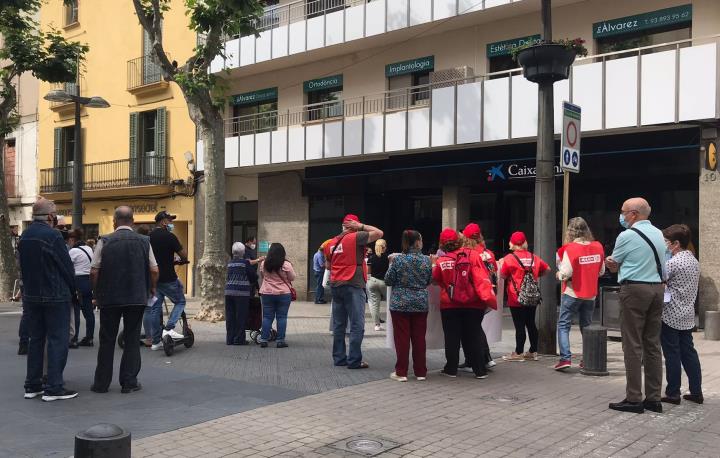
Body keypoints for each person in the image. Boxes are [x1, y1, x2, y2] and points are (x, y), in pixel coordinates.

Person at [605, 197, 666, 414]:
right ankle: (654, 398)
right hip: (658, 289)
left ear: (633, 214)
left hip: (634, 290)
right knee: (652, 345)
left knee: (632, 344)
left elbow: (614, 263)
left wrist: (611, 263)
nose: (620, 216)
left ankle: (633, 398)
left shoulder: (626, 235)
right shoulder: (660, 233)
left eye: (623, 212)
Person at [90, 206, 159, 394]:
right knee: (132, 338)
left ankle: (101, 383)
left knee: (107, 340)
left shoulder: (104, 240)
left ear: (114, 221)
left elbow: (94, 270)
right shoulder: (144, 241)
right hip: (136, 297)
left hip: (109, 297)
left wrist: (96, 293)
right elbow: (154, 269)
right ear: (133, 221)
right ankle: (129, 382)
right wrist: (152, 287)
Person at [18, 198, 78, 401]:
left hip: (32, 295)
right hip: (55, 294)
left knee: (36, 340)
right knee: (57, 340)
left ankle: (32, 385)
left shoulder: (25, 235)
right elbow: (65, 265)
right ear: (50, 217)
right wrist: (74, 290)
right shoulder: (52, 235)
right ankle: (54, 387)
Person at [433, 228, 496, 379]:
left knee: (452, 337)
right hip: (474, 304)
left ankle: (451, 369)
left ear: (442, 244)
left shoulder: (442, 260)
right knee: (473, 336)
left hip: (449, 304)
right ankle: (480, 370)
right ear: (459, 240)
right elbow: (482, 275)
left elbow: (436, 279)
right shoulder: (473, 255)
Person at [325, 214, 383, 369]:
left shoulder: (330, 243)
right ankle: (354, 360)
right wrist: (362, 226)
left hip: (336, 285)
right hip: (353, 284)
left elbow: (327, 266)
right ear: (353, 225)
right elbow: (379, 233)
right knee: (357, 323)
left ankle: (339, 358)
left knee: (339, 324)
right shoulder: (356, 237)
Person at [660, 224, 703, 405]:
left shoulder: (673, 262)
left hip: (670, 314)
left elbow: (659, 278)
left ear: (676, 243)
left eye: (667, 242)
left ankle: (673, 393)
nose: (666, 245)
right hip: (687, 314)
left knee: (672, 354)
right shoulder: (694, 260)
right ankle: (696, 391)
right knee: (689, 354)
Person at [554, 217, 605, 371]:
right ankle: (587, 359)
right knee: (587, 327)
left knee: (563, 325)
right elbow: (601, 271)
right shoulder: (598, 246)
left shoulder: (570, 248)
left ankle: (565, 359)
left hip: (572, 292)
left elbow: (565, 273)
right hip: (590, 294)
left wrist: (558, 274)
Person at [383, 230, 432, 382]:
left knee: (402, 339)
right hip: (420, 302)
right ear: (417, 242)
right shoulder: (426, 260)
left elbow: (388, 280)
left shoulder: (398, 260)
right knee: (419, 338)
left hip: (400, 303)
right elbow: (429, 280)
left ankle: (401, 372)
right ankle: (421, 372)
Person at [500, 231, 550, 362]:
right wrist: (534, 276)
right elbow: (547, 269)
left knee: (519, 325)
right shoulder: (534, 257)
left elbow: (503, 275)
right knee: (531, 323)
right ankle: (533, 351)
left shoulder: (509, 258)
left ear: (512, 243)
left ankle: (518, 352)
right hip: (532, 296)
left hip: (516, 297)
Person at [460, 223, 497, 371]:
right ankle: (483, 358)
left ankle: (477, 360)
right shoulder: (489, 253)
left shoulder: (468, 252)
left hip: (472, 295)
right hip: (487, 293)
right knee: (476, 327)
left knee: (471, 329)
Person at [149, 211, 188, 350]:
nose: (171, 223)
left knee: (155, 308)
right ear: (163, 222)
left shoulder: (148, 237)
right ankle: (169, 328)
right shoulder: (170, 236)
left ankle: (155, 342)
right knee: (180, 301)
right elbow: (183, 254)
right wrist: (182, 259)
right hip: (168, 278)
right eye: (169, 220)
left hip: (153, 279)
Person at [258, 243, 295, 348]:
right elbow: (292, 277)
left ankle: (264, 339)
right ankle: (280, 341)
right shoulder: (286, 264)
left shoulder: (264, 263)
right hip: (283, 294)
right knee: (282, 317)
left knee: (267, 317)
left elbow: (262, 275)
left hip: (267, 293)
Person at [68, 228, 96, 347]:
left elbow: (67, 266)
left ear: (72, 239)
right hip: (88, 281)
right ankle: (89, 337)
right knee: (89, 311)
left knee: (76, 310)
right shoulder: (89, 248)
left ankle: (74, 338)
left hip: (78, 282)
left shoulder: (73, 251)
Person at [225, 242, 257, 345]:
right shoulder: (245, 263)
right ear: (243, 252)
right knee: (241, 316)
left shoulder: (229, 263)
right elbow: (253, 277)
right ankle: (239, 339)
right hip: (241, 293)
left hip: (229, 292)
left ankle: (230, 339)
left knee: (230, 316)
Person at [367, 238, 389, 331]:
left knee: (375, 304)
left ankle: (377, 325)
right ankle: (392, 323)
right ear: (385, 247)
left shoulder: (371, 258)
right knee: (390, 302)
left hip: (373, 281)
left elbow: (368, 271)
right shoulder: (388, 258)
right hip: (384, 282)